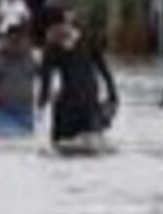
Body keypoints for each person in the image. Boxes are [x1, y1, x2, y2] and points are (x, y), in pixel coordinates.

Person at [40, 13, 119, 145]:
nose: (54, 32)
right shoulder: (53, 48)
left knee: (80, 139)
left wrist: (113, 94)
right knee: (65, 141)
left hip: (86, 100)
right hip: (71, 101)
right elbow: (46, 76)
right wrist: (42, 100)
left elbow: (104, 68)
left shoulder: (87, 41)